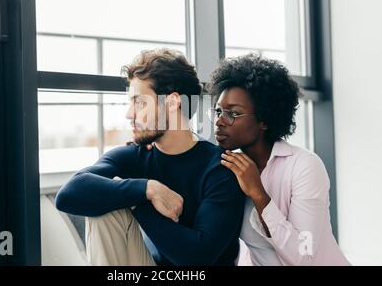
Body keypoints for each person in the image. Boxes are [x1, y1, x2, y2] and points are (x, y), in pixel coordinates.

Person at [55, 49, 245, 266]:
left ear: (172, 103)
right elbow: (69, 194)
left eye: (140, 102)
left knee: (112, 196)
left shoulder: (220, 167)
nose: (129, 114)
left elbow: (198, 257)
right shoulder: (133, 157)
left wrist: (138, 204)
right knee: (102, 211)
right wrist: (148, 189)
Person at [208, 53, 350, 265]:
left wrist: (258, 193)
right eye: (219, 111)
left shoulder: (304, 166)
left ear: (264, 120)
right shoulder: (227, 168)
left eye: (233, 113)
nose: (219, 121)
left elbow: (303, 256)